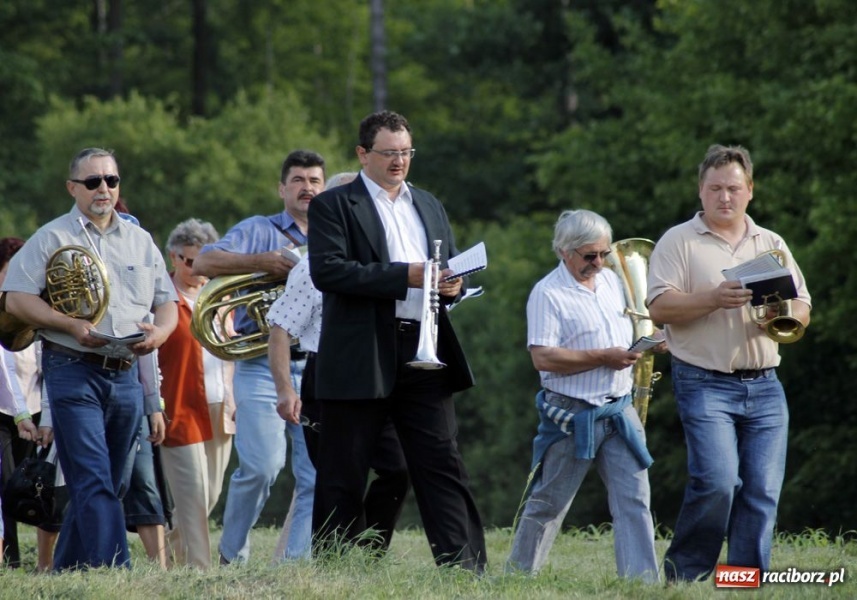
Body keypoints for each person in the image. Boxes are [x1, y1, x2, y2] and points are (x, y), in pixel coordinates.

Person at [307, 110, 486, 571]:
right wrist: (405, 275)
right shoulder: (333, 205)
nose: (399, 161)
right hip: (360, 352)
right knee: (344, 468)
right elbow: (329, 271)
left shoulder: (428, 203)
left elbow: (449, 267)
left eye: (406, 152)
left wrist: (454, 285)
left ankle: (464, 570)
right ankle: (334, 569)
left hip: (424, 348)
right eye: (389, 153)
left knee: (443, 462)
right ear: (362, 154)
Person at [0, 147, 178, 570]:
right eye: (93, 181)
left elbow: (166, 301)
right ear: (72, 188)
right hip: (71, 367)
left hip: (126, 373)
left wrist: (161, 332)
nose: (103, 189)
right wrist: (68, 323)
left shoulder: (140, 240)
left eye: (111, 180)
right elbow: (16, 299)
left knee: (108, 482)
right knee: (93, 477)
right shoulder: (51, 237)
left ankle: (66, 568)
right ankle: (117, 570)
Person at [646, 144, 812, 582]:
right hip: (704, 381)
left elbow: (802, 302)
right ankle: (685, 577)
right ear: (700, 190)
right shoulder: (678, 241)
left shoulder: (771, 242)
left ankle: (744, 581)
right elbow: (659, 308)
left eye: (733, 188)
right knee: (718, 482)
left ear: (750, 190)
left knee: (762, 490)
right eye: (715, 188)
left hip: (766, 383)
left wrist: (788, 317)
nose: (725, 197)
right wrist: (713, 299)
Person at [505, 209, 659, 582]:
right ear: (564, 250)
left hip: (618, 409)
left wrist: (650, 342)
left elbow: (628, 328)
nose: (599, 262)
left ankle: (641, 584)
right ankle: (518, 578)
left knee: (635, 499)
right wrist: (603, 357)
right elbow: (543, 358)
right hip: (571, 414)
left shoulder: (611, 281)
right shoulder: (547, 293)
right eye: (590, 255)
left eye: (604, 253)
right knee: (549, 502)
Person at [268, 172, 410, 558]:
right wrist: (285, 390)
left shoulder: (382, 260)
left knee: (398, 468)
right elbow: (280, 329)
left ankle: (368, 552)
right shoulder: (310, 267)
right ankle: (335, 563)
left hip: (377, 376)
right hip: (328, 377)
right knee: (339, 479)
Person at [193, 150, 324, 564]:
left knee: (315, 474)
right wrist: (261, 262)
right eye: (298, 180)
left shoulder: (335, 234)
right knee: (262, 468)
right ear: (282, 189)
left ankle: (293, 565)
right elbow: (203, 261)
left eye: (315, 181)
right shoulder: (258, 229)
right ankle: (232, 557)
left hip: (318, 365)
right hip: (260, 365)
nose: (307, 188)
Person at [158, 218, 235, 569]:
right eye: (189, 261)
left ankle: (168, 556)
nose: (197, 268)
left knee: (210, 494)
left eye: (203, 261)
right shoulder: (161, 299)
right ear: (173, 257)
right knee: (193, 496)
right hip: (180, 404)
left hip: (222, 404)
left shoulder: (221, 295)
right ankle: (200, 572)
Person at [0, 237, 44, 567]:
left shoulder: (34, 306)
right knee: (4, 485)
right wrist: (19, 413)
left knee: (25, 486)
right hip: (6, 412)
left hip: (35, 409)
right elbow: (4, 367)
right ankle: (10, 558)